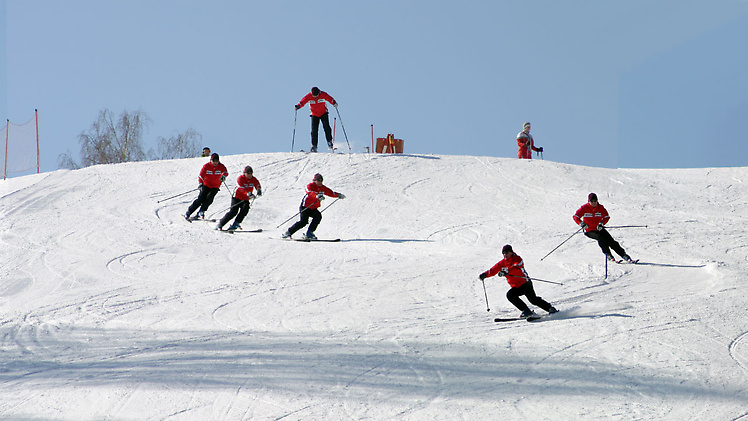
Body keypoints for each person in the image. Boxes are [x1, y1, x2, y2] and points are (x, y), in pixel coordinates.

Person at [479, 244, 558, 318]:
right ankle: (526, 311)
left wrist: (507, 271)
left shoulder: (517, 259)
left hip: (525, 283)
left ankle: (550, 309)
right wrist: (484, 275)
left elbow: (517, 266)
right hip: (516, 286)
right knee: (510, 295)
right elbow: (493, 270)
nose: (505, 255)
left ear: (511, 252)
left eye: (506, 253)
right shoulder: (502, 263)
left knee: (533, 300)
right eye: (503, 253)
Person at [282, 173, 345, 240]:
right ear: (314, 180)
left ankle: (309, 233)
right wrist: (317, 196)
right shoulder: (310, 186)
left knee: (318, 216)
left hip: (313, 208)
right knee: (303, 222)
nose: (320, 182)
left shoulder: (322, 188)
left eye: (321, 180)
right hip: (305, 207)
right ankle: (288, 232)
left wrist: (338, 195)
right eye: (318, 180)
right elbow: (309, 192)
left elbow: (330, 193)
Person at [573, 193, 634, 263]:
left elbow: (606, 217)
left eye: (595, 201)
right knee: (600, 238)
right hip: (589, 230)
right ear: (588, 201)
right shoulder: (584, 208)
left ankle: (624, 255)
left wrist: (601, 224)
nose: (594, 203)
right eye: (592, 201)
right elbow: (576, 216)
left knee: (611, 241)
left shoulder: (600, 208)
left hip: (599, 229)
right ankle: (608, 255)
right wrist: (581, 223)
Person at [216, 165, 262, 231]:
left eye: (251, 173)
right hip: (237, 197)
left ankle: (236, 224)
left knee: (245, 209)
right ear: (244, 173)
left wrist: (258, 189)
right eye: (248, 173)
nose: (250, 175)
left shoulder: (253, 179)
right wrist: (248, 193)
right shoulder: (240, 178)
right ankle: (220, 224)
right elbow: (241, 188)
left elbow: (257, 184)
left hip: (245, 199)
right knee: (233, 212)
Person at [185, 153, 228, 220]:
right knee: (200, 199)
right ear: (211, 160)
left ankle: (201, 211)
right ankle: (189, 212)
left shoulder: (221, 166)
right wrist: (200, 183)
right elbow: (201, 176)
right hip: (206, 185)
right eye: (214, 161)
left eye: (217, 161)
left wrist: (223, 176)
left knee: (209, 199)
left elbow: (225, 172)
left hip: (215, 186)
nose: (215, 163)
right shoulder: (206, 166)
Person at [295, 87, 338, 153]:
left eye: (316, 95)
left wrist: (334, 103)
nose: (315, 97)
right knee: (314, 130)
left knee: (326, 127)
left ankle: (329, 142)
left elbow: (329, 98)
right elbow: (302, 102)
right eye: (314, 95)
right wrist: (298, 106)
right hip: (314, 115)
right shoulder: (308, 96)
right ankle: (314, 146)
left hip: (323, 113)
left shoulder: (323, 94)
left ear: (319, 93)